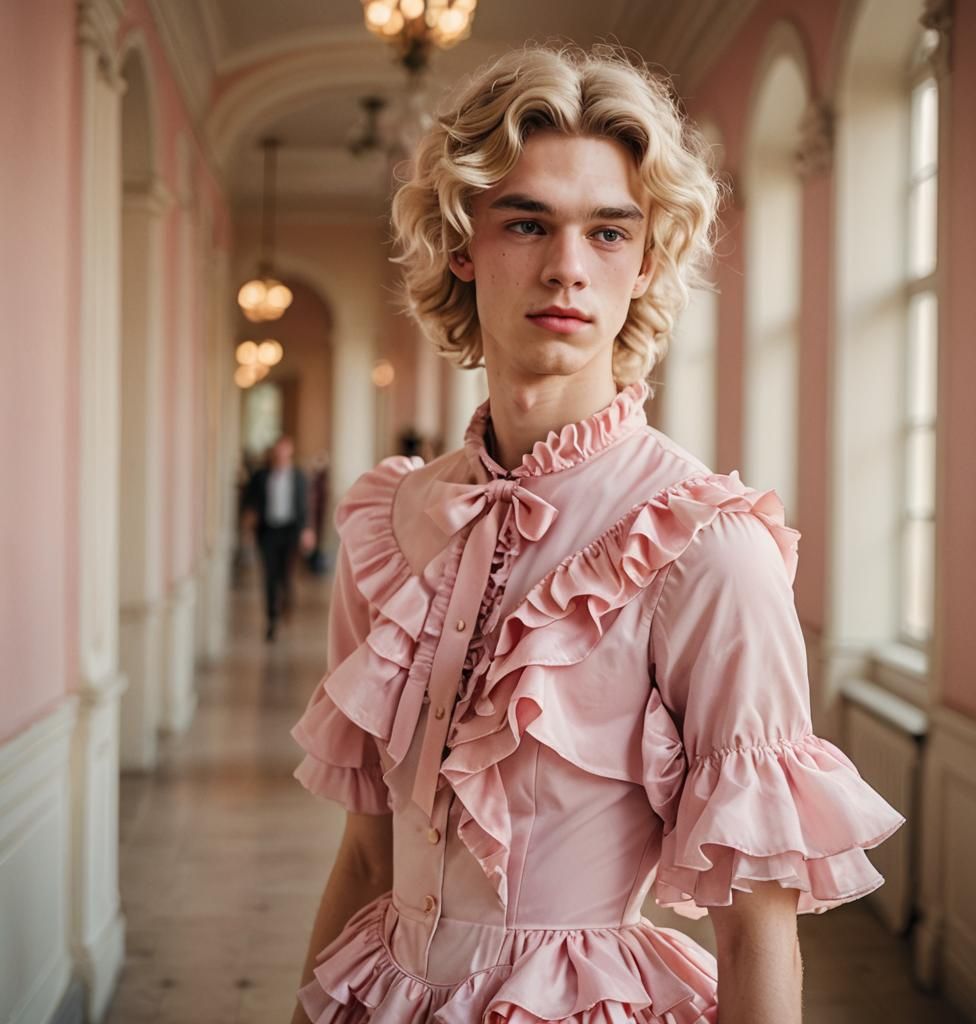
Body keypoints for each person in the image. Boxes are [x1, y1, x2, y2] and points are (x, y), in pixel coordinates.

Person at [288, 42, 905, 1024]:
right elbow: (366, 850)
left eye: (608, 232)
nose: (567, 268)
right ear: (462, 241)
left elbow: (757, 933)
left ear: (646, 258)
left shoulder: (707, 548)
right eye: (526, 222)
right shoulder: (387, 522)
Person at [242, 435, 314, 641]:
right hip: (268, 532)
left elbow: (305, 505)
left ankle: (286, 605)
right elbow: (251, 505)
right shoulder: (261, 476)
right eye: (278, 450)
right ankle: (272, 619)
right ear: (274, 452)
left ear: (290, 452)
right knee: (269, 575)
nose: (281, 454)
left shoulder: (299, 476)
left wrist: (307, 530)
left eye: (285, 450)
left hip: (291, 530)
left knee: (287, 574)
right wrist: (247, 530)